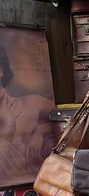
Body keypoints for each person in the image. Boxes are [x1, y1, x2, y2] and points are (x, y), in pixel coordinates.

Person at [0, 43, 55, 184]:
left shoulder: (32, 104)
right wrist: (8, 131)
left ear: (1, 71)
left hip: (47, 188)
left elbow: (72, 120)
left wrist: (41, 130)